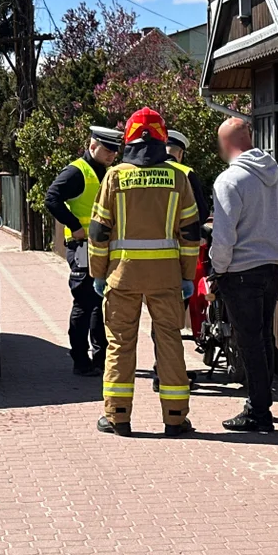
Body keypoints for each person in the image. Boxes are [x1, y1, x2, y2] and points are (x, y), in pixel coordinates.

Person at [88, 107, 201, 437]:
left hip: (121, 277)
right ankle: (176, 418)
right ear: (162, 140)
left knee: (120, 345)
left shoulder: (115, 177)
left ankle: (118, 417)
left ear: (129, 141)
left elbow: (98, 232)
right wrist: (187, 275)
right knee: (169, 344)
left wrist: (98, 273)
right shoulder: (178, 177)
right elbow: (190, 232)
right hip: (166, 278)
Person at [210, 117, 278, 433]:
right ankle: (263, 401)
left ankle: (258, 411)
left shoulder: (229, 181)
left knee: (250, 342)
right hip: (271, 266)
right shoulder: (277, 174)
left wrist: (219, 269)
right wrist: (268, 243)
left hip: (241, 272)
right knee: (264, 337)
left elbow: (224, 236)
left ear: (227, 144)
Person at [45, 125, 123, 376]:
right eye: (107, 149)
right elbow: (52, 198)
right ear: (92, 146)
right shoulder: (77, 172)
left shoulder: (108, 172)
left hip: (103, 248)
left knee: (98, 303)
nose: (112, 155)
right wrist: (75, 226)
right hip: (82, 248)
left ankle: (99, 359)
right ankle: (80, 360)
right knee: (84, 302)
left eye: (115, 151)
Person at [150, 129, 209, 392]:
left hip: (143, 260)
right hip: (177, 259)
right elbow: (201, 213)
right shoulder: (184, 174)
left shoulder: (141, 173)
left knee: (156, 319)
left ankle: (158, 369)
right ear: (180, 153)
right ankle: (169, 375)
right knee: (172, 320)